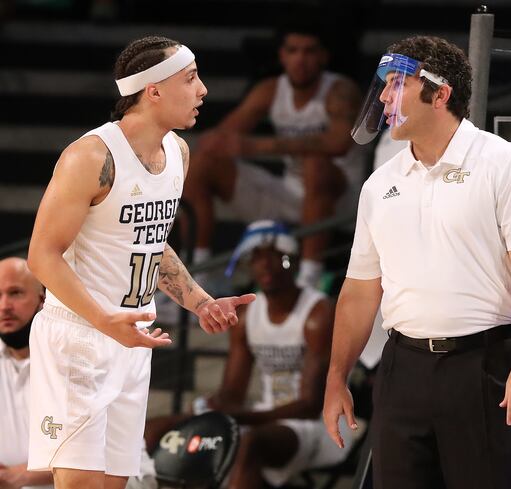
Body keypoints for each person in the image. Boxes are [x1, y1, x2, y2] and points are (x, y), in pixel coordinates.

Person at [323, 36, 511, 489]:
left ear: (440, 93)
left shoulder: (507, 163)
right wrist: (336, 378)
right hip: (402, 367)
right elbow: (359, 291)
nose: (386, 98)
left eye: (398, 85)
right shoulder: (378, 185)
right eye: (385, 86)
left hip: (483, 364)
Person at [26, 36, 254, 489]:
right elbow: (41, 255)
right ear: (153, 91)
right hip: (79, 336)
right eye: (191, 79)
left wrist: (199, 301)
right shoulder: (90, 156)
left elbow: (151, 243)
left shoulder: (178, 154)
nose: (203, 90)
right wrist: (103, 318)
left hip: (131, 337)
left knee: (117, 484)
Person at [146, 220, 351, 488]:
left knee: (249, 442)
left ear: (290, 259)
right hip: (263, 416)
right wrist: (212, 407)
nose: (263, 265)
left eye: (272, 257)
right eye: (256, 258)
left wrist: (237, 417)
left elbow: (310, 404)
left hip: (317, 426)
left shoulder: (316, 313)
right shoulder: (248, 316)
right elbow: (233, 392)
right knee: (159, 429)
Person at [183, 24, 366, 288]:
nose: (300, 59)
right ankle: (197, 276)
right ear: (282, 56)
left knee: (316, 163)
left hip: (339, 200)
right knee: (202, 163)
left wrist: (255, 147)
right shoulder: (271, 89)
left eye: (309, 51)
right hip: (290, 194)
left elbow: (340, 143)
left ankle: (308, 282)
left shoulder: (339, 90)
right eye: (293, 51)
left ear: (324, 57)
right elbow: (217, 140)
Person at [0, 257, 51, 489]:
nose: (4, 306)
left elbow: (104, 454)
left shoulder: (72, 357)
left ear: (43, 300)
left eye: (15, 293)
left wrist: (20, 477)